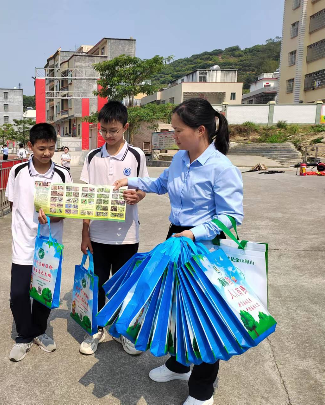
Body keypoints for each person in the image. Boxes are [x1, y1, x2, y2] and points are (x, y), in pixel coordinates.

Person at [114, 98, 243, 405]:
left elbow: (231, 217)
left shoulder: (221, 168)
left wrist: (195, 233)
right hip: (176, 237)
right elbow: (161, 184)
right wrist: (132, 182)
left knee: (205, 316)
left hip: (203, 245)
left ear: (200, 131)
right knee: (174, 306)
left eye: (178, 130)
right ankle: (179, 364)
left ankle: (202, 390)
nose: (173, 135)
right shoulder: (180, 159)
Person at [79, 100, 148, 356]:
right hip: (98, 235)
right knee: (97, 284)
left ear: (125, 128)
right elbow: (86, 198)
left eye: (114, 130)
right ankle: (96, 330)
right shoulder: (92, 157)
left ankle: (121, 331)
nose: (109, 135)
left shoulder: (137, 155)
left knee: (123, 286)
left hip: (127, 235)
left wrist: (137, 196)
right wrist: (85, 234)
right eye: (104, 130)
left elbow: (143, 189)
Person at [5, 123, 72, 362]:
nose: (46, 153)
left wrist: (52, 217)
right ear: (30, 146)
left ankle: (40, 331)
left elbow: (65, 211)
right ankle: (24, 335)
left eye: (51, 148)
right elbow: (13, 205)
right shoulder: (17, 172)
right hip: (23, 242)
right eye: (41, 148)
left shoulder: (63, 174)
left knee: (43, 292)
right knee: (19, 293)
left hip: (50, 243)